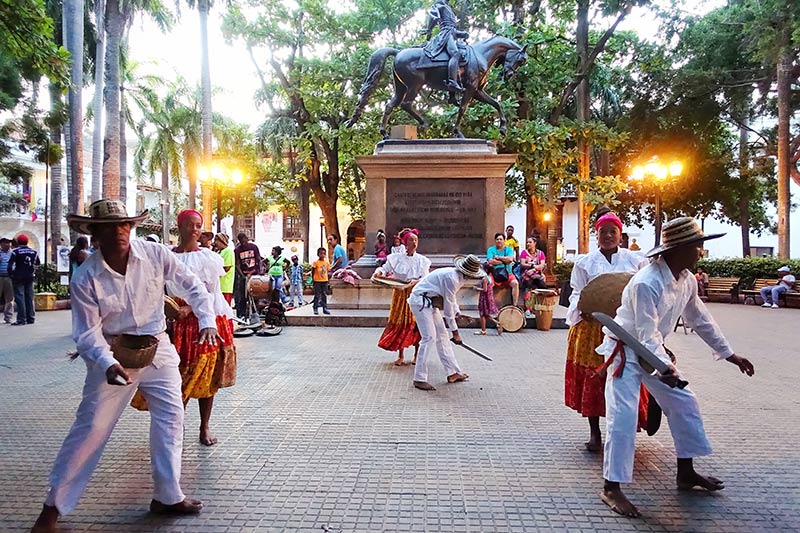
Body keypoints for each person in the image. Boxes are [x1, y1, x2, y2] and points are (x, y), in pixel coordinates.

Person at [32, 199, 216, 532]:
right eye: (109, 227)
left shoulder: (155, 254)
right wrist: (105, 362)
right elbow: (87, 334)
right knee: (91, 429)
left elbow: (191, 283)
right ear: (95, 234)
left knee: (171, 419)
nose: (119, 232)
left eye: (124, 225)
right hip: (114, 353)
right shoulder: (87, 276)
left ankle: (167, 495)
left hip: (158, 347)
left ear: (131, 228)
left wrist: (207, 319)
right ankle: (52, 507)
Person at [596, 216, 755, 518]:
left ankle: (686, 472)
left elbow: (699, 318)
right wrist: (665, 369)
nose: (700, 252)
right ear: (678, 249)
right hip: (626, 350)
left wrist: (729, 353)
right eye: (696, 247)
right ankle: (611, 488)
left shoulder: (687, 280)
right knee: (624, 416)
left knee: (685, 402)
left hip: (653, 351)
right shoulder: (647, 283)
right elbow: (646, 332)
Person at [131, 209, 236, 448]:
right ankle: (176, 425)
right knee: (176, 377)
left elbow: (208, 292)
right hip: (173, 320)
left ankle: (204, 425)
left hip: (203, 321)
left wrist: (189, 310)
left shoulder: (208, 258)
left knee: (206, 375)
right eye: (190, 224)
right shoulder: (167, 254)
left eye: (198, 225)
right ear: (180, 227)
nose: (195, 229)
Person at [565, 212, 649, 452]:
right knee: (594, 378)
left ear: (620, 235)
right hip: (593, 328)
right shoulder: (584, 262)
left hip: (626, 328)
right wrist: (582, 310)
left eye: (613, 231)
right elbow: (576, 293)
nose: (609, 236)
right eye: (604, 231)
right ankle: (595, 433)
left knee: (625, 378)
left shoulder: (636, 261)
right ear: (597, 235)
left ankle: (621, 432)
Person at [407, 254, 484, 391]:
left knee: (442, 336)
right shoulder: (452, 278)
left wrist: (458, 312)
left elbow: (451, 300)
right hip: (420, 301)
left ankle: (452, 372)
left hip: (431, 303)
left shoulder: (457, 278)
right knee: (429, 338)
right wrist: (455, 333)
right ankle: (419, 378)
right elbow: (448, 310)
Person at [373, 228, 431, 366]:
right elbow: (385, 269)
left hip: (416, 293)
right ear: (405, 243)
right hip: (400, 294)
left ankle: (417, 354)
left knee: (416, 324)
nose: (414, 242)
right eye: (411, 240)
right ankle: (401, 354)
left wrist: (415, 282)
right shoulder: (396, 258)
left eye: (416, 240)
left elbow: (426, 277)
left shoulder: (422, 261)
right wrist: (378, 272)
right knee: (400, 322)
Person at [423, 0, 469, 92]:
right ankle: (452, 82)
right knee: (455, 54)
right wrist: (429, 29)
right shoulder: (440, 5)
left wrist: (462, 34)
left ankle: (453, 94)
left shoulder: (448, 8)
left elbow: (452, 27)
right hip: (446, 34)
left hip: (452, 33)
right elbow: (432, 15)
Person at [8, 233, 39, 326]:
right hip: (29, 276)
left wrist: (11, 275)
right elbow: (37, 263)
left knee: (20, 297)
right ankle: (31, 318)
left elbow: (10, 266)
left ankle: (22, 319)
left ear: (18, 242)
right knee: (29, 297)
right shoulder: (34, 252)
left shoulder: (15, 252)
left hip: (18, 277)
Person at [487, 232, 520, 307]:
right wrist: (504, 261)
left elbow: (510, 259)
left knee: (515, 283)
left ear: (504, 240)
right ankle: (490, 306)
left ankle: (514, 306)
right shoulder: (491, 250)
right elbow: (490, 261)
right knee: (489, 284)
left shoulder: (509, 250)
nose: (499, 241)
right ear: (495, 240)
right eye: (497, 239)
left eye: (501, 239)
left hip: (508, 273)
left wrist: (498, 258)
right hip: (494, 273)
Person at [234, 233, 262, 319]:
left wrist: (259, 271)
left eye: (244, 241)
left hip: (254, 274)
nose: (243, 243)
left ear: (247, 238)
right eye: (241, 242)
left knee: (256, 294)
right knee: (242, 295)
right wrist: (242, 275)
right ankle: (242, 314)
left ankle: (255, 312)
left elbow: (258, 259)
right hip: (244, 275)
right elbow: (237, 264)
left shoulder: (254, 247)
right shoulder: (237, 250)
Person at [519, 237, 547, 314]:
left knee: (541, 283)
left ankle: (540, 306)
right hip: (526, 274)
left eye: (530, 242)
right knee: (529, 284)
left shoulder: (541, 253)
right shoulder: (524, 253)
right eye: (527, 242)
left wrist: (533, 269)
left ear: (535, 243)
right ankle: (528, 308)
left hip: (536, 273)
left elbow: (542, 265)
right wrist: (532, 267)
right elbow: (523, 264)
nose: (528, 244)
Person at [474, 262, 502, 336]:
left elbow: (485, 289)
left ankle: (483, 330)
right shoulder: (490, 277)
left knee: (482, 314)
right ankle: (497, 323)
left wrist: (477, 288)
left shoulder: (485, 279)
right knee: (486, 314)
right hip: (489, 297)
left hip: (484, 298)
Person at [213, 233, 235, 305]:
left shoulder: (228, 251)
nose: (215, 243)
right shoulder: (219, 252)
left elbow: (226, 268)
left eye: (216, 240)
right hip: (218, 286)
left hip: (225, 286)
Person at [0, 237, 15, 324]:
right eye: (5, 243)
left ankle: (8, 317)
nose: (7, 244)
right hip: (0, 276)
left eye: (8, 243)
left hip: (9, 277)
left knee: (9, 298)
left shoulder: (13, 253)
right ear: (1, 244)